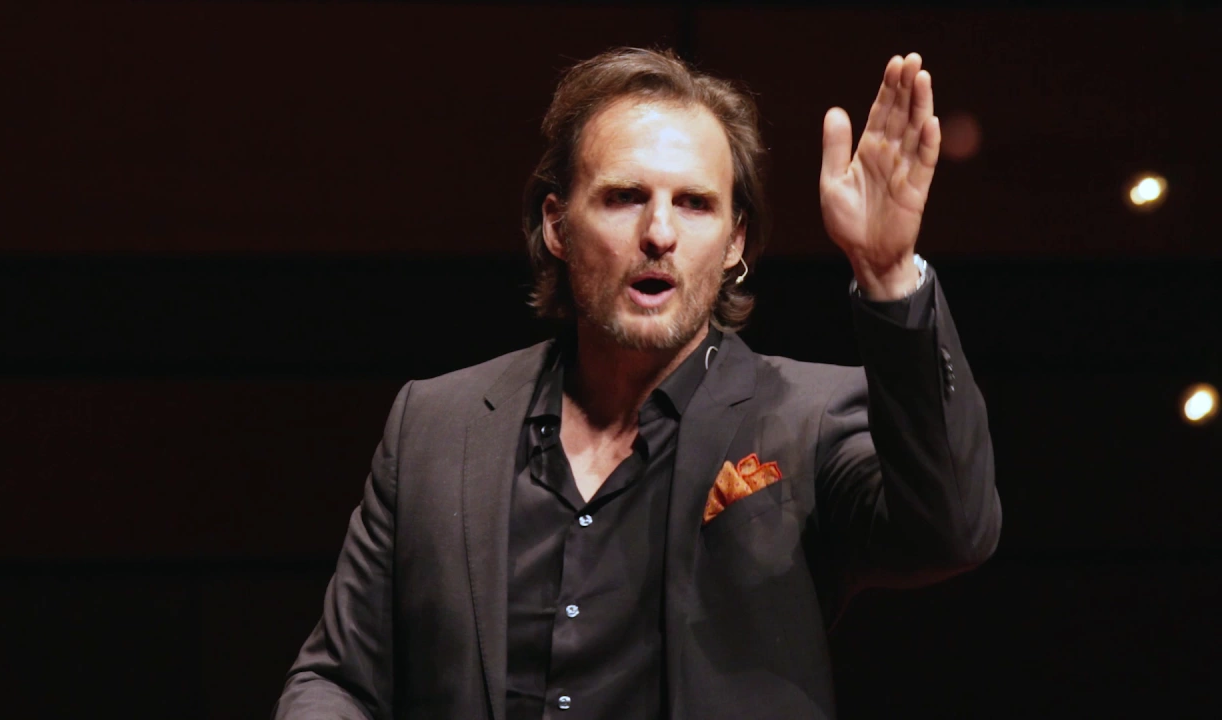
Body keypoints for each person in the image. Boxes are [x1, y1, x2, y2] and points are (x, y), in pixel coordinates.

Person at [274, 47, 1000, 720]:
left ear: (735, 241)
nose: (659, 233)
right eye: (624, 197)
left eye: (695, 203)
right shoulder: (436, 423)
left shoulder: (808, 418)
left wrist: (887, 274)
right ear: (557, 225)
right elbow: (338, 679)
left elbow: (952, 532)